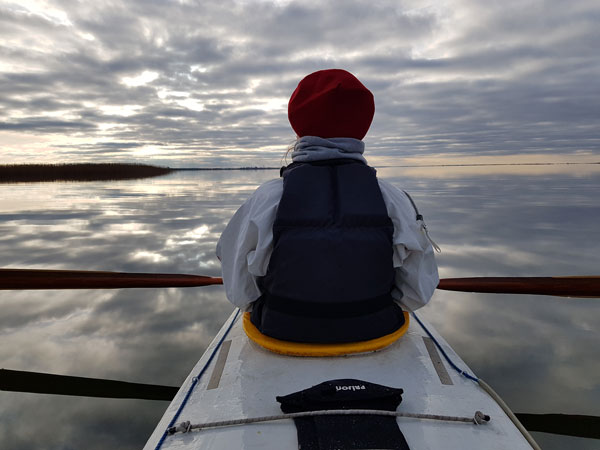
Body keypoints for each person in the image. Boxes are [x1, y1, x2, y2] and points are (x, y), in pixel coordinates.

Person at [216, 69, 439, 344]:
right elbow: (417, 291)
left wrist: (261, 303)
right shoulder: (394, 198)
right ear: (363, 124)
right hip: (376, 330)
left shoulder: (266, 198)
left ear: (297, 123)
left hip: (279, 331)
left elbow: (239, 287)